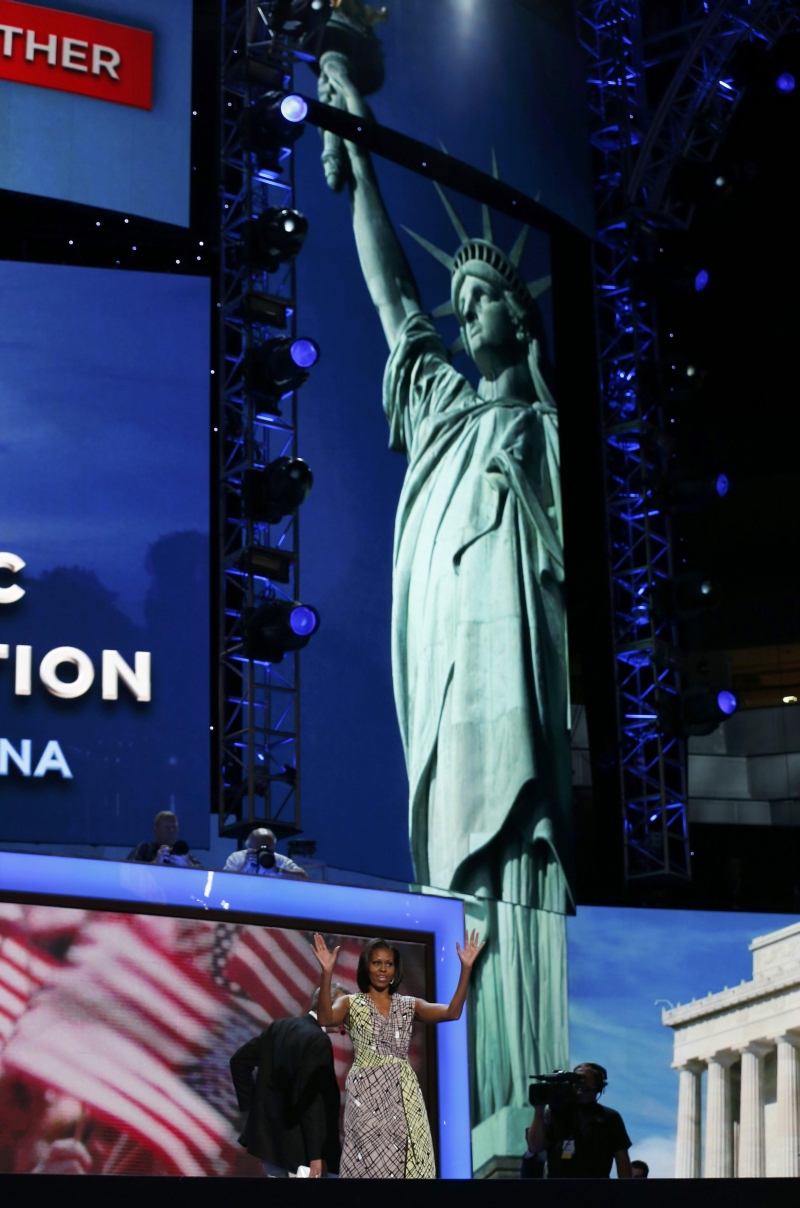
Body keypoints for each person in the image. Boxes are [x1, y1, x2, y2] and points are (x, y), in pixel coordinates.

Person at [318, 53, 573, 1139]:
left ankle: (532, 1075)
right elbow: (390, 297)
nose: (464, 314)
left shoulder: (544, 430)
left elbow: (564, 547)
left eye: (482, 300)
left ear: (519, 317)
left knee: (522, 848)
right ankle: (488, 1088)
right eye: (459, 300)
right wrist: (359, 150)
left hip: (518, 659)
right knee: (461, 865)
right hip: (448, 666)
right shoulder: (442, 409)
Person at [312, 929, 484, 1178]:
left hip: (402, 1095)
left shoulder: (408, 1005)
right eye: (377, 963)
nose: (383, 969)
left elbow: (452, 1012)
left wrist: (466, 968)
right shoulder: (351, 1003)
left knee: (402, 1168)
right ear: (366, 967)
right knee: (367, 1167)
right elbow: (326, 1018)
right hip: (365, 1096)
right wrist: (327, 973)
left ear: (395, 969)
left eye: (389, 964)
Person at [229, 988, 343, 1178]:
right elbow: (312, 1103)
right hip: (302, 1156)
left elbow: (239, 1062)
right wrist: (316, 1156)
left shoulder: (280, 1027)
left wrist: (256, 1113)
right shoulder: (318, 1040)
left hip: (270, 1147)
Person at [527, 1063, 632, 1179]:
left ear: (598, 1083)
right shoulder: (555, 1113)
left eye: (585, 1077)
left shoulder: (610, 1117)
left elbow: (622, 1158)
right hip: (558, 1190)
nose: (579, 1081)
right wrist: (539, 1110)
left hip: (598, 1191)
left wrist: (626, 1191)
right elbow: (535, 1147)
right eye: (576, 1077)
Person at [125, 810, 202, 867]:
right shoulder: (144, 849)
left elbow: (203, 875)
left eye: (174, 827)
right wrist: (155, 862)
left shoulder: (183, 854)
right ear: (155, 829)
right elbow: (129, 872)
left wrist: (188, 865)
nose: (172, 831)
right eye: (167, 827)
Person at [223, 827, 308, 878]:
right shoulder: (237, 858)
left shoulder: (280, 860)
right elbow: (225, 882)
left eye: (269, 849)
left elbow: (303, 877)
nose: (265, 852)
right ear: (250, 847)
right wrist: (244, 867)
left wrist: (278, 871)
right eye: (260, 848)